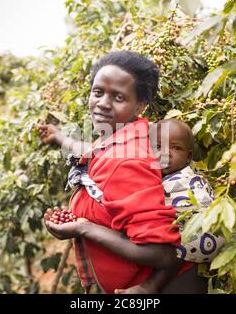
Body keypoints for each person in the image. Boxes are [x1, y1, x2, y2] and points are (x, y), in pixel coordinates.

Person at [38, 50, 194, 294]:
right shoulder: (125, 134)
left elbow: (163, 254)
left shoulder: (127, 159)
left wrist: (83, 227)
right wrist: (59, 137)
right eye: (97, 92)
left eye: (118, 97)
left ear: (139, 105)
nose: (102, 103)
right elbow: (91, 152)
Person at [42, 118, 224, 293]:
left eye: (175, 148)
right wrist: (59, 137)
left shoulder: (182, 182)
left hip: (187, 258)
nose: (165, 153)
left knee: (171, 248)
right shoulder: (140, 164)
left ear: (188, 157)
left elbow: (168, 245)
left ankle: (150, 285)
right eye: (158, 147)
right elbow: (93, 151)